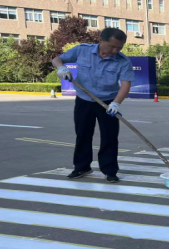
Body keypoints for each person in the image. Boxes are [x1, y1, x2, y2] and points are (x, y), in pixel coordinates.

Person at [52, 28, 135, 183]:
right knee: (83, 134)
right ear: (101, 40)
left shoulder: (123, 61)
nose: (115, 51)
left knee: (109, 137)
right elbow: (57, 59)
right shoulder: (82, 50)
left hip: (108, 103)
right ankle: (82, 167)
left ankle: (110, 170)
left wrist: (116, 103)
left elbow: (125, 85)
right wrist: (61, 68)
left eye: (119, 48)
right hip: (84, 99)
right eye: (112, 46)